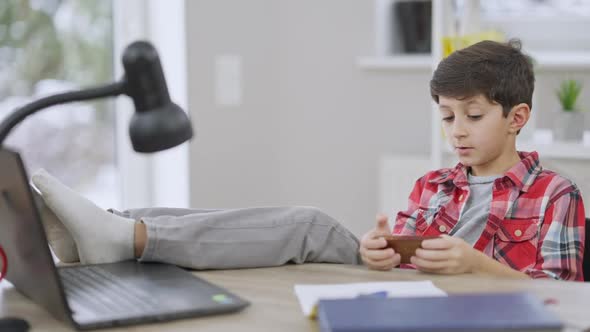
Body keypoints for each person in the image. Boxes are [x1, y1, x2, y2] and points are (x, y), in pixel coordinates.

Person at [360, 39, 586, 281]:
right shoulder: (430, 186)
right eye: (447, 117)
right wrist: (381, 254)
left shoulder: (555, 194)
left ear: (516, 118)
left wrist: (477, 265)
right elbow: (403, 272)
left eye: (474, 116)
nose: (457, 131)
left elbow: (562, 292)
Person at [31, 170, 361, 269]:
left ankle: (116, 236)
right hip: (384, 263)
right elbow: (405, 229)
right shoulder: (419, 185)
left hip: (397, 280)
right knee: (227, 220)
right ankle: (97, 233)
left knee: (311, 225)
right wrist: (381, 241)